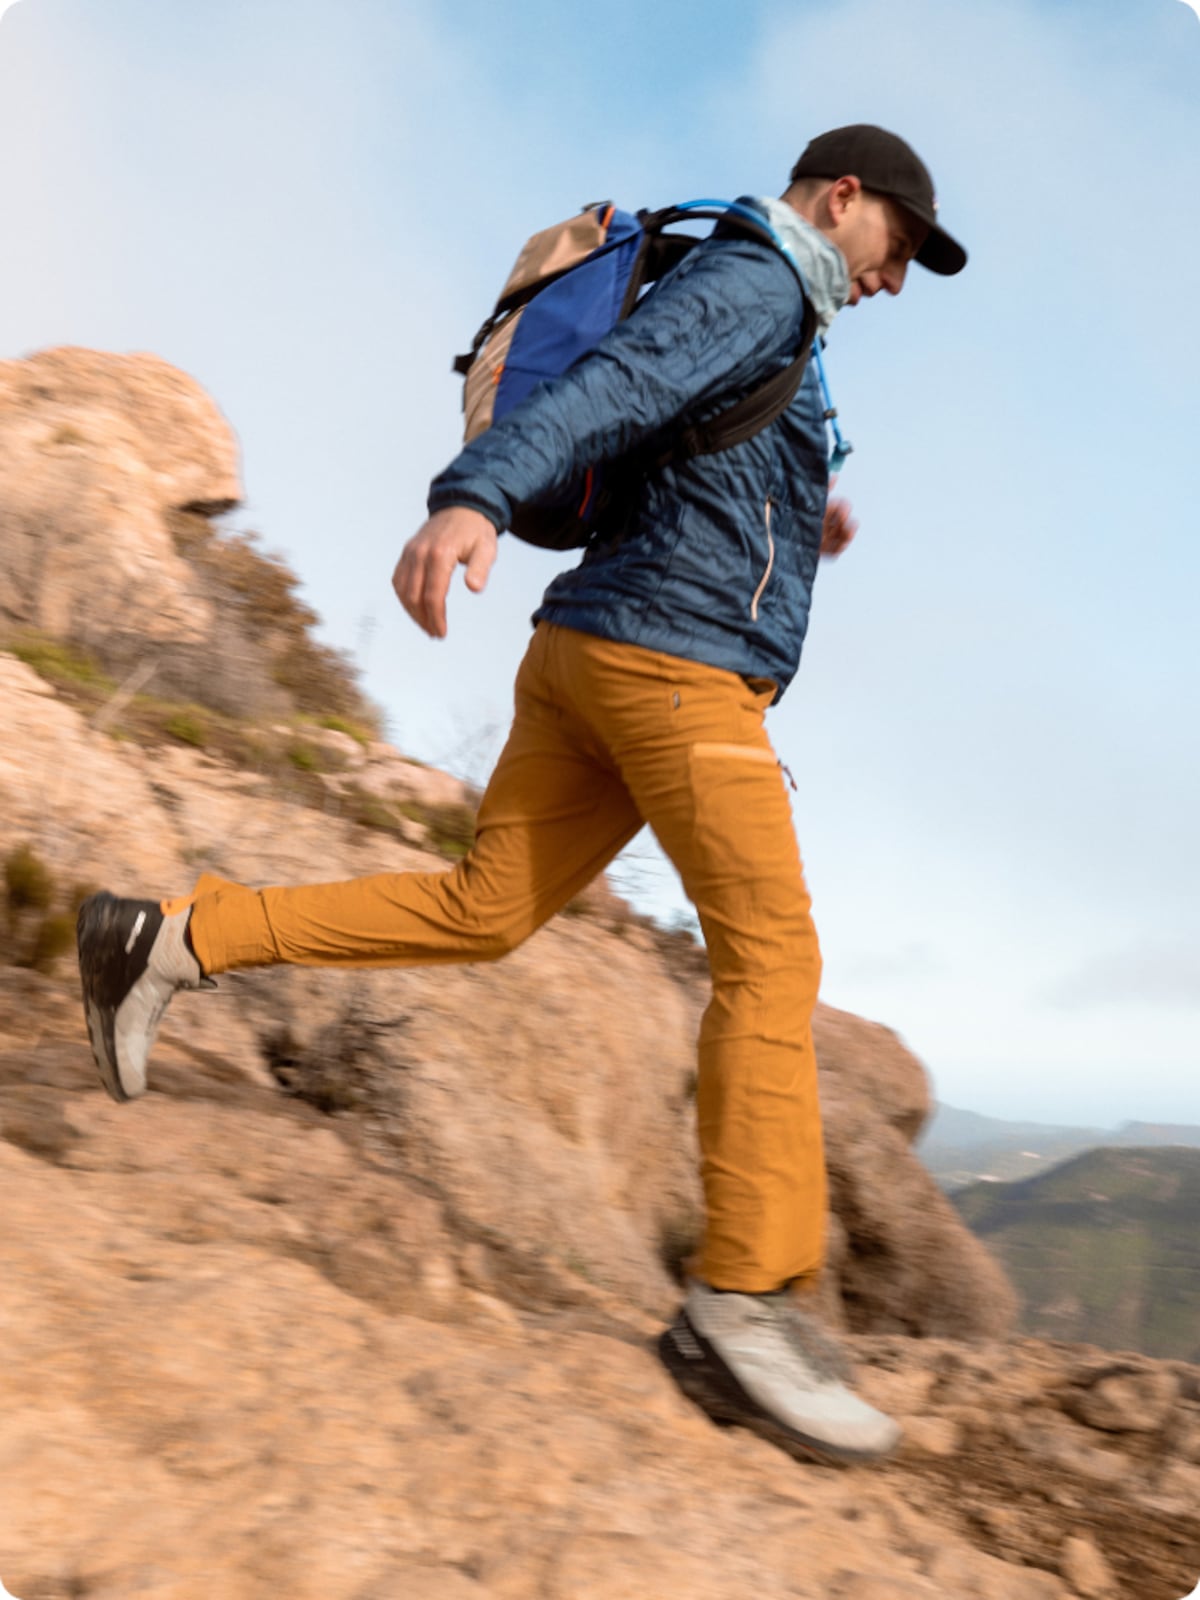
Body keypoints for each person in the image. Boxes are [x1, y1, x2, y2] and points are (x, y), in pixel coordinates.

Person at [77, 124, 967, 1467]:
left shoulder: (764, 298)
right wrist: (475, 498)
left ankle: (164, 943)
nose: (896, 278)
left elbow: (684, 425)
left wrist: (808, 509)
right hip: (676, 673)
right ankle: (743, 1304)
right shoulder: (758, 278)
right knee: (774, 961)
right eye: (899, 246)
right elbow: (619, 384)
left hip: (590, 656)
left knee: (483, 907)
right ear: (844, 197)